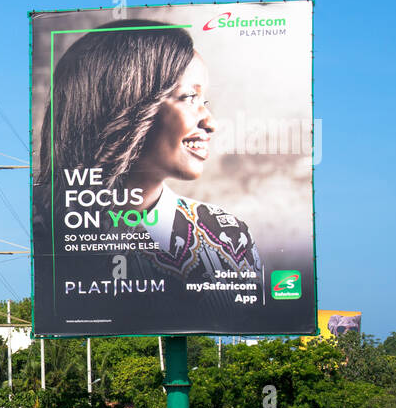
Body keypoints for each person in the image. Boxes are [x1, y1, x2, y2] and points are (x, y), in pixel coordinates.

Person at [34, 20, 263, 326]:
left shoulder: (228, 237)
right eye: (188, 98)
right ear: (126, 102)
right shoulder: (33, 228)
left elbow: (251, 334)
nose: (210, 122)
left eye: (203, 99)